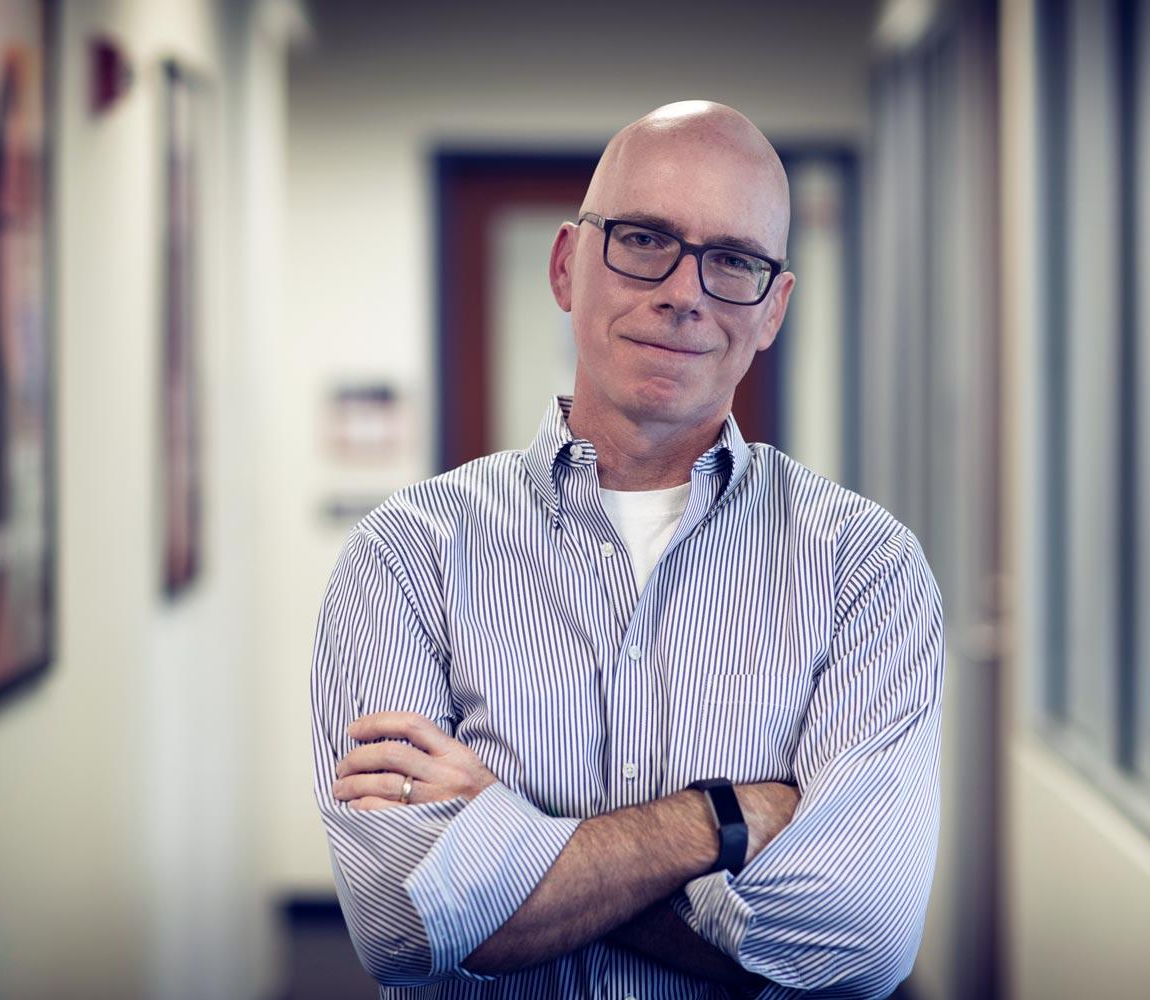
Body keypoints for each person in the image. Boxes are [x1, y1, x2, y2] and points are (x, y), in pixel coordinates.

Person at [311, 100, 944, 1000]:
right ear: (568, 266)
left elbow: (859, 947)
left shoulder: (864, 569)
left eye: (732, 260)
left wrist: (509, 838)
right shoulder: (403, 558)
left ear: (773, 309)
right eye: (645, 239)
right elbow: (403, 919)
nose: (684, 291)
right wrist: (721, 819)